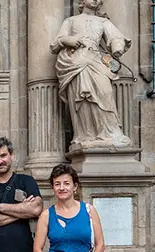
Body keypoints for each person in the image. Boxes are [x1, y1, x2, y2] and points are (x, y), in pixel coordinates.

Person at [50, 0, 132, 148]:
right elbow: (55, 44)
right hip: (75, 63)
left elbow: (116, 37)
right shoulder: (71, 21)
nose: (95, 0)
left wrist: (117, 47)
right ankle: (85, 136)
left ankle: (111, 133)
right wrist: (69, 40)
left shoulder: (103, 21)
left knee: (105, 94)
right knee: (82, 101)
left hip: (95, 61)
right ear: (82, 1)